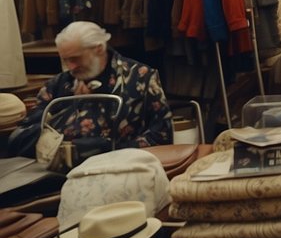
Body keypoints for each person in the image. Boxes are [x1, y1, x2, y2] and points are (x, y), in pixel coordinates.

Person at [5, 21, 172, 158]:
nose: (70, 67)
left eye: (75, 58)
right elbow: (28, 131)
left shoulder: (140, 78)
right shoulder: (59, 84)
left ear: (99, 48)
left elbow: (162, 135)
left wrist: (110, 149)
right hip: (59, 173)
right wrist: (70, 108)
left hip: (124, 166)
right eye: (65, 60)